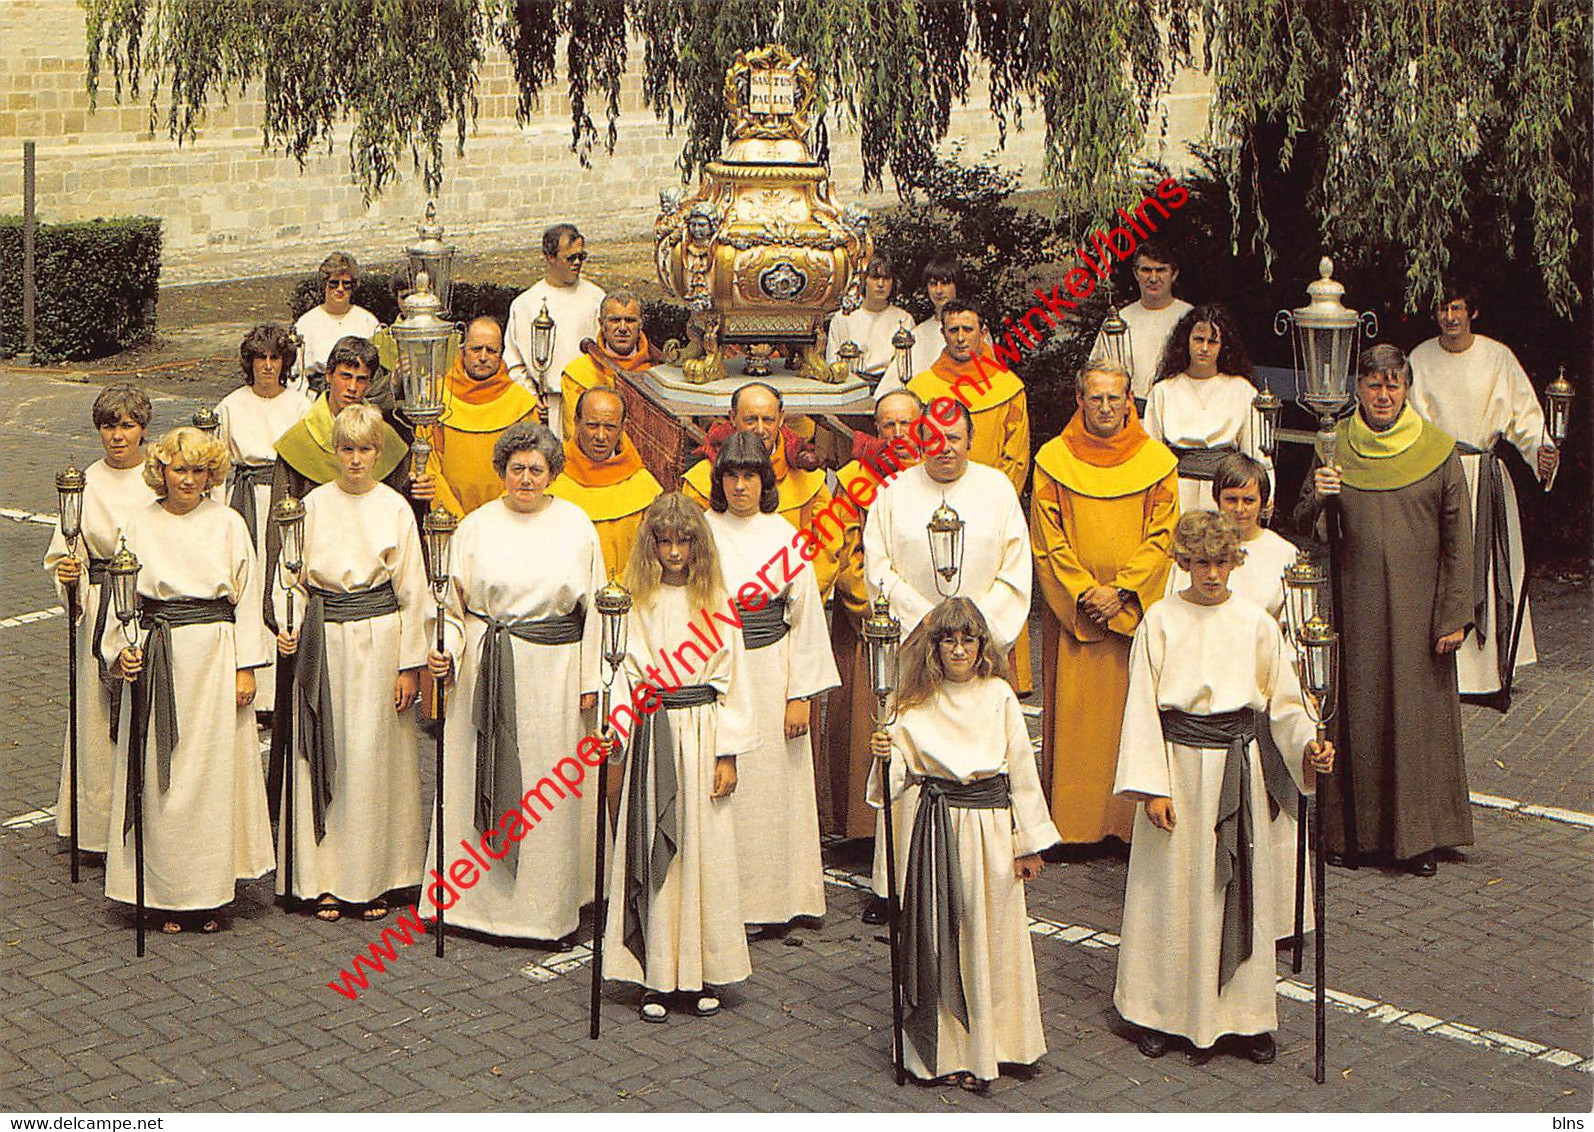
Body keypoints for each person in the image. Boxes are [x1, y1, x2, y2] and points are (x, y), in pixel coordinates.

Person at [1113, 511, 1334, 1063]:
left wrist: (1308, 745)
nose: (1211, 574)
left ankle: (1245, 1016)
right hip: (1178, 769)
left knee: (1239, 889)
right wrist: (1151, 788)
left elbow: (1284, 702)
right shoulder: (1159, 621)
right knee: (1170, 894)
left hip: (1239, 768)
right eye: (1200, 563)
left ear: (1236, 562)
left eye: (1221, 562)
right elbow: (1141, 706)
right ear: (1183, 563)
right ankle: (1159, 1011)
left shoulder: (1256, 623)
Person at [1293, 344, 1474, 876]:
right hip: (1354, 607)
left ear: (1407, 389)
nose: (1383, 395)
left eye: (1393, 385)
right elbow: (1304, 520)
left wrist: (1454, 615)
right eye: (1373, 384)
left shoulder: (1438, 451)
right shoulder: (1334, 445)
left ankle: (1419, 838)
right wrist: (1322, 494)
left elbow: (1459, 541)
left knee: (1414, 721)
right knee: (1356, 716)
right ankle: (1351, 836)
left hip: (1421, 614)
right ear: (1358, 389)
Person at [424, 422, 606, 943]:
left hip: (553, 675)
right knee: (470, 772)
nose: (526, 478)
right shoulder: (475, 527)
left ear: (552, 473)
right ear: (502, 470)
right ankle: (468, 904)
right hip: (485, 668)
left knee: (546, 787)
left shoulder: (576, 526)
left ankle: (544, 907)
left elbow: (596, 608)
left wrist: (590, 679)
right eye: (516, 468)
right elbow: (451, 604)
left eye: (536, 469)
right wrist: (448, 651)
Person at [869, 597, 1059, 1090]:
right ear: (934, 647)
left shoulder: (999, 696)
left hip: (992, 832)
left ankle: (1000, 1046)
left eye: (968, 640)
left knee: (990, 934)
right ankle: (944, 1050)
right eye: (948, 640)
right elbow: (894, 783)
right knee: (942, 935)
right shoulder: (913, 702)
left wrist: (1028, 843)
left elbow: (1022, 772)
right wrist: (885, 753)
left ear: (981, 647)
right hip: (938, 828)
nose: (958, 650)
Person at [103, 427, 274, 934]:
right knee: (163, 777)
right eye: (180, 469)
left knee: (212, 779)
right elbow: (123, 596)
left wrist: (246, 667)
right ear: (162, 472)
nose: (189, 480)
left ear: (210, 475)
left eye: (199, 471)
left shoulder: (228, 523)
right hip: (159, 657)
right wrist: (123, 649)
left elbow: (248, 596)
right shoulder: (138, 524)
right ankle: (161, 895)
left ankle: (210, 896)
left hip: (215, 660)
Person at [863, 401, 1032, 906]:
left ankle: (977, 871)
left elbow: (1014, 567)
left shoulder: (996, 489)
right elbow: (879, 567)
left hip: (974, 651)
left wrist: (973, 631)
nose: (945, 448)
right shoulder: (893, 492)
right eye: (934, 438)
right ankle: (896, 882)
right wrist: (926, 619)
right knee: (907, 753)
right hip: (914, 645)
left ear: (969, 439)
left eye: (954, 438)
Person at [600, 492, 754, 1021]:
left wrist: (728, 754)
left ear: (697, 545)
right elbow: (621, 673)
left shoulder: (716, 603)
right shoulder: (636, 603)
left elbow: (735, 682)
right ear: (650, 546)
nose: (672, 551)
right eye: (662, 541)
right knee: (651, 848)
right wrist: (616, 730)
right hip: (653, 731)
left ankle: (702, 973)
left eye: (683, 540)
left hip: (703, 730)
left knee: (702, 851)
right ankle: (655, 975)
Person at [273, 404, 430, 922]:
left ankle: (375, 877)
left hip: (380, 644)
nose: (356, 460)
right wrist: (289, 624)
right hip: (325, 642)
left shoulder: (395, 508)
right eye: (347, 449)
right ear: (334, 452)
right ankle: (322, 878)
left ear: (379, 453)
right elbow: (289, 578)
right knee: (323, 752)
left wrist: (410, 667)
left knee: (372, 758)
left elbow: (413, 591)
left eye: (366, 450)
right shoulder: (312, 505)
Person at [1030, 359, 1178, 849]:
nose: (1106, 407)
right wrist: (1084, 593)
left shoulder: (1158, 462)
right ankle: (1075, 826)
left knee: (1131, 717)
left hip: (1129, 613)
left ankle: (1127, 823)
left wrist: (1123, 592)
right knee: (1077, 723)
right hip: (1078, 616)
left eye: (1115, 398)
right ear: (1080, 401)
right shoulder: (1053, 459)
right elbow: (1047, 540)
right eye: (1096, 398)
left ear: (1129, 401)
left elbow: (1163, 536)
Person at [703, 432, 840, 932]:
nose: (741, 486)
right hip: (718, 672)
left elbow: (804, 617)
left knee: (773, 792)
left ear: (765, 481)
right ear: (720, 481)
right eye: (732, 476)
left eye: (751, 476)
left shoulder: (783, 537)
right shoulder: (701, 532)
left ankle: (778, 900)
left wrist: (800, 695)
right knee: (723, 786)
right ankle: (724, 901)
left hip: (773, 670)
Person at [1167, 453, 1307, 940]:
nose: (1241, 508)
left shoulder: (1284, 555)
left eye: (1250, 499)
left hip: (1263, 693)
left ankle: (1274, 916)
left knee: (1271, 815)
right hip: (1207, 706)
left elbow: (1294, 627)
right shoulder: (1190, 571)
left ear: (1264, 504)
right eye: (1232, 498)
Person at [1409, 280, 1560, 700]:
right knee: (1439, 563)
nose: (1450, 317)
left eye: (1457, 307)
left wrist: (1541, 450)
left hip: (1485, 477)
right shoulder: (1420, 358)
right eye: (1443, 308)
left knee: (1488, 568)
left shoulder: (1497, 357)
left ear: (1472, 312)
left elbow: (1526, 416)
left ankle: (1488, 672)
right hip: (1438, 474)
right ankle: (1441, 667)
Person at [44, 384, 158, 861]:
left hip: (144, 604)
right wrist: (68, 574)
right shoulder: (84, 484)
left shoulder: (157, 478)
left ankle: (144, 817)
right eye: (109, 426)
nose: (117, 436)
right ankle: (95, 825)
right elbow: (65, 550)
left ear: (143, 429)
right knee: (94, 718)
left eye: (127, 426)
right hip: (98, 603)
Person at [819, 390, 925, 846]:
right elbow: (843, 550)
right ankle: (863, 830)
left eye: (907, 424)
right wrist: (874, 607)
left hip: (925, 626)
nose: (898, 435)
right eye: (888, 426)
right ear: (875, 430)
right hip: (866, 622)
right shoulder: (853, 481)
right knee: (861, 728)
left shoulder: (934, 476)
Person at [266, 336, 411, 617]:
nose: (353, 388)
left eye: (362, 379)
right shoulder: (299, 444)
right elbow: (280, 532)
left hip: (376, 599)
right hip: (322, 597)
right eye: (346, 376)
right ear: (329, 376)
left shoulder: (388, 440)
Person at [217, 324, 314, 719]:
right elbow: (219, 464)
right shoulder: (230, 406)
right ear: (250, 363)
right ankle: (250, 686)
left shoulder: (300, 407)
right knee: (248, 585)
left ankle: (283, 690)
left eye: (275, 358)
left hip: (285, 502)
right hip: (244, 501)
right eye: (261, 358)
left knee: (281, 583)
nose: (268, 366)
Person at [683, 382, 842, 600]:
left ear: (781, 418)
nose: (760, 429)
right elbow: (689, 554)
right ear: (732, 418)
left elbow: (826, 550)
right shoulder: (700, 481)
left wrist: (796, 599)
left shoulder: (809, 480)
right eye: (750, 420)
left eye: (768, 420)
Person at [1144, 303, 1271, 515]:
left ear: (1223, 346)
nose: (1204, 348)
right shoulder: (1163, 390)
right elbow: (1151, 452)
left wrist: (1266, 494)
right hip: (1176, 492)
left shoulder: (1241, 390)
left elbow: (1255, 453)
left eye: (1212, 342)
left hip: (1227, 496)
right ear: (1186, 341)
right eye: (1198, 339)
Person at [410, 316, 541, 518]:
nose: (483, 357)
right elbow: (428, 464)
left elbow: (532, 466)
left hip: (506, 519)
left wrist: (496, 517)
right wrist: (453, 517)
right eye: (476, 349)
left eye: (491, 350)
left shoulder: (521, 404)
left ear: (501, 354)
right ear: (462, 350)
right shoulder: (435, 397)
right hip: (447, 520)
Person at [906, 300, 1030, 496]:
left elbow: (1016, 456)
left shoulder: (1009, 388)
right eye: (953, 330)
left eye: (968, 329)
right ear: (943, 334)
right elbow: (912, 452)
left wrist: (996, 500)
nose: (960, 338)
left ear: (983, 332)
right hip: (933, 495)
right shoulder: (920, 389)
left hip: (991, 496)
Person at [547, 387, 664, 580]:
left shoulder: (643, 487)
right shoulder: (550, 479)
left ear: (622, 428)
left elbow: (654, 557)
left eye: (610, 427)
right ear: (576, 423)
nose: (601, 436)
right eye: (592, 425)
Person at [504, 223, 607, 435]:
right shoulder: (525, 304)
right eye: (570, 258)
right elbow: (513, 361)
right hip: (548, 408)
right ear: (549, 256)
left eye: (581, 256)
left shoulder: (596, 298)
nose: (577, 263)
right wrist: (530, 396)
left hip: (589, 405)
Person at [1092, 240, 1193, 408]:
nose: (1153, 278)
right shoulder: (1118, 322)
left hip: (1180, 411)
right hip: (1132, 415)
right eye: (1146, 270)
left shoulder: (1190, 317)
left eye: (1161, 270)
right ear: (1136, 273)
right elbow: (1098, 374)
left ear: (1174, 274)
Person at [555, 291, 659, 441]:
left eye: (630, 320)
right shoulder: (578, 374)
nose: (623, 328)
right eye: (615, 320)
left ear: (641, 324)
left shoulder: (658, 373)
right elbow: (575, 435)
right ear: (601, 324)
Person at [824, 253, 914, 394]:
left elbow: (905, 366)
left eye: (886, 278)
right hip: (851, 390)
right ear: (863, 280)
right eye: (875, 278)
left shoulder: (904, 319)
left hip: (890, 389)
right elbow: (833, 363)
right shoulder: (843, 318)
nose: (880, 284)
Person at [292, 252, 382, 390]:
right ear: (324, 285)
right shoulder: (306, 323)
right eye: (334, 283)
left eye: (346, 284)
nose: (340, 289)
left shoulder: (368, 321)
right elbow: (297, 372)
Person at [907, 257, 963, 379]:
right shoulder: (919, 333)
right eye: (933, 284)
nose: (938, 290)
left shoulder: (972, 329)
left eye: (945, 283)